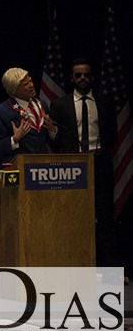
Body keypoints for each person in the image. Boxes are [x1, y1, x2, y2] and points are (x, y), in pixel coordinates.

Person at [49, 59, 118, 267]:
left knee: (105, 217)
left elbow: (112, 135)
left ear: (92, 77)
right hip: (73, 168)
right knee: (73, 217)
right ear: (71, 78)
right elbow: (56, 139)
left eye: (86, 74)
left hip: (100, 164)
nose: (82, 79)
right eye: (78, 75)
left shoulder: (105, 102)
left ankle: (110, 269)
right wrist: (52, 133)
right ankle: (75, 265)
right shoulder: (59, 105)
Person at [0, 68, 57, 166]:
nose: (31, 85)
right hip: (18, 171)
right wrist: (14, 139)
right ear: (14, 89)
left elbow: (47, 140)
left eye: (30, 81)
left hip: (42, 169)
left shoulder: (42, 105)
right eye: (25, 84)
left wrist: (52, 130)